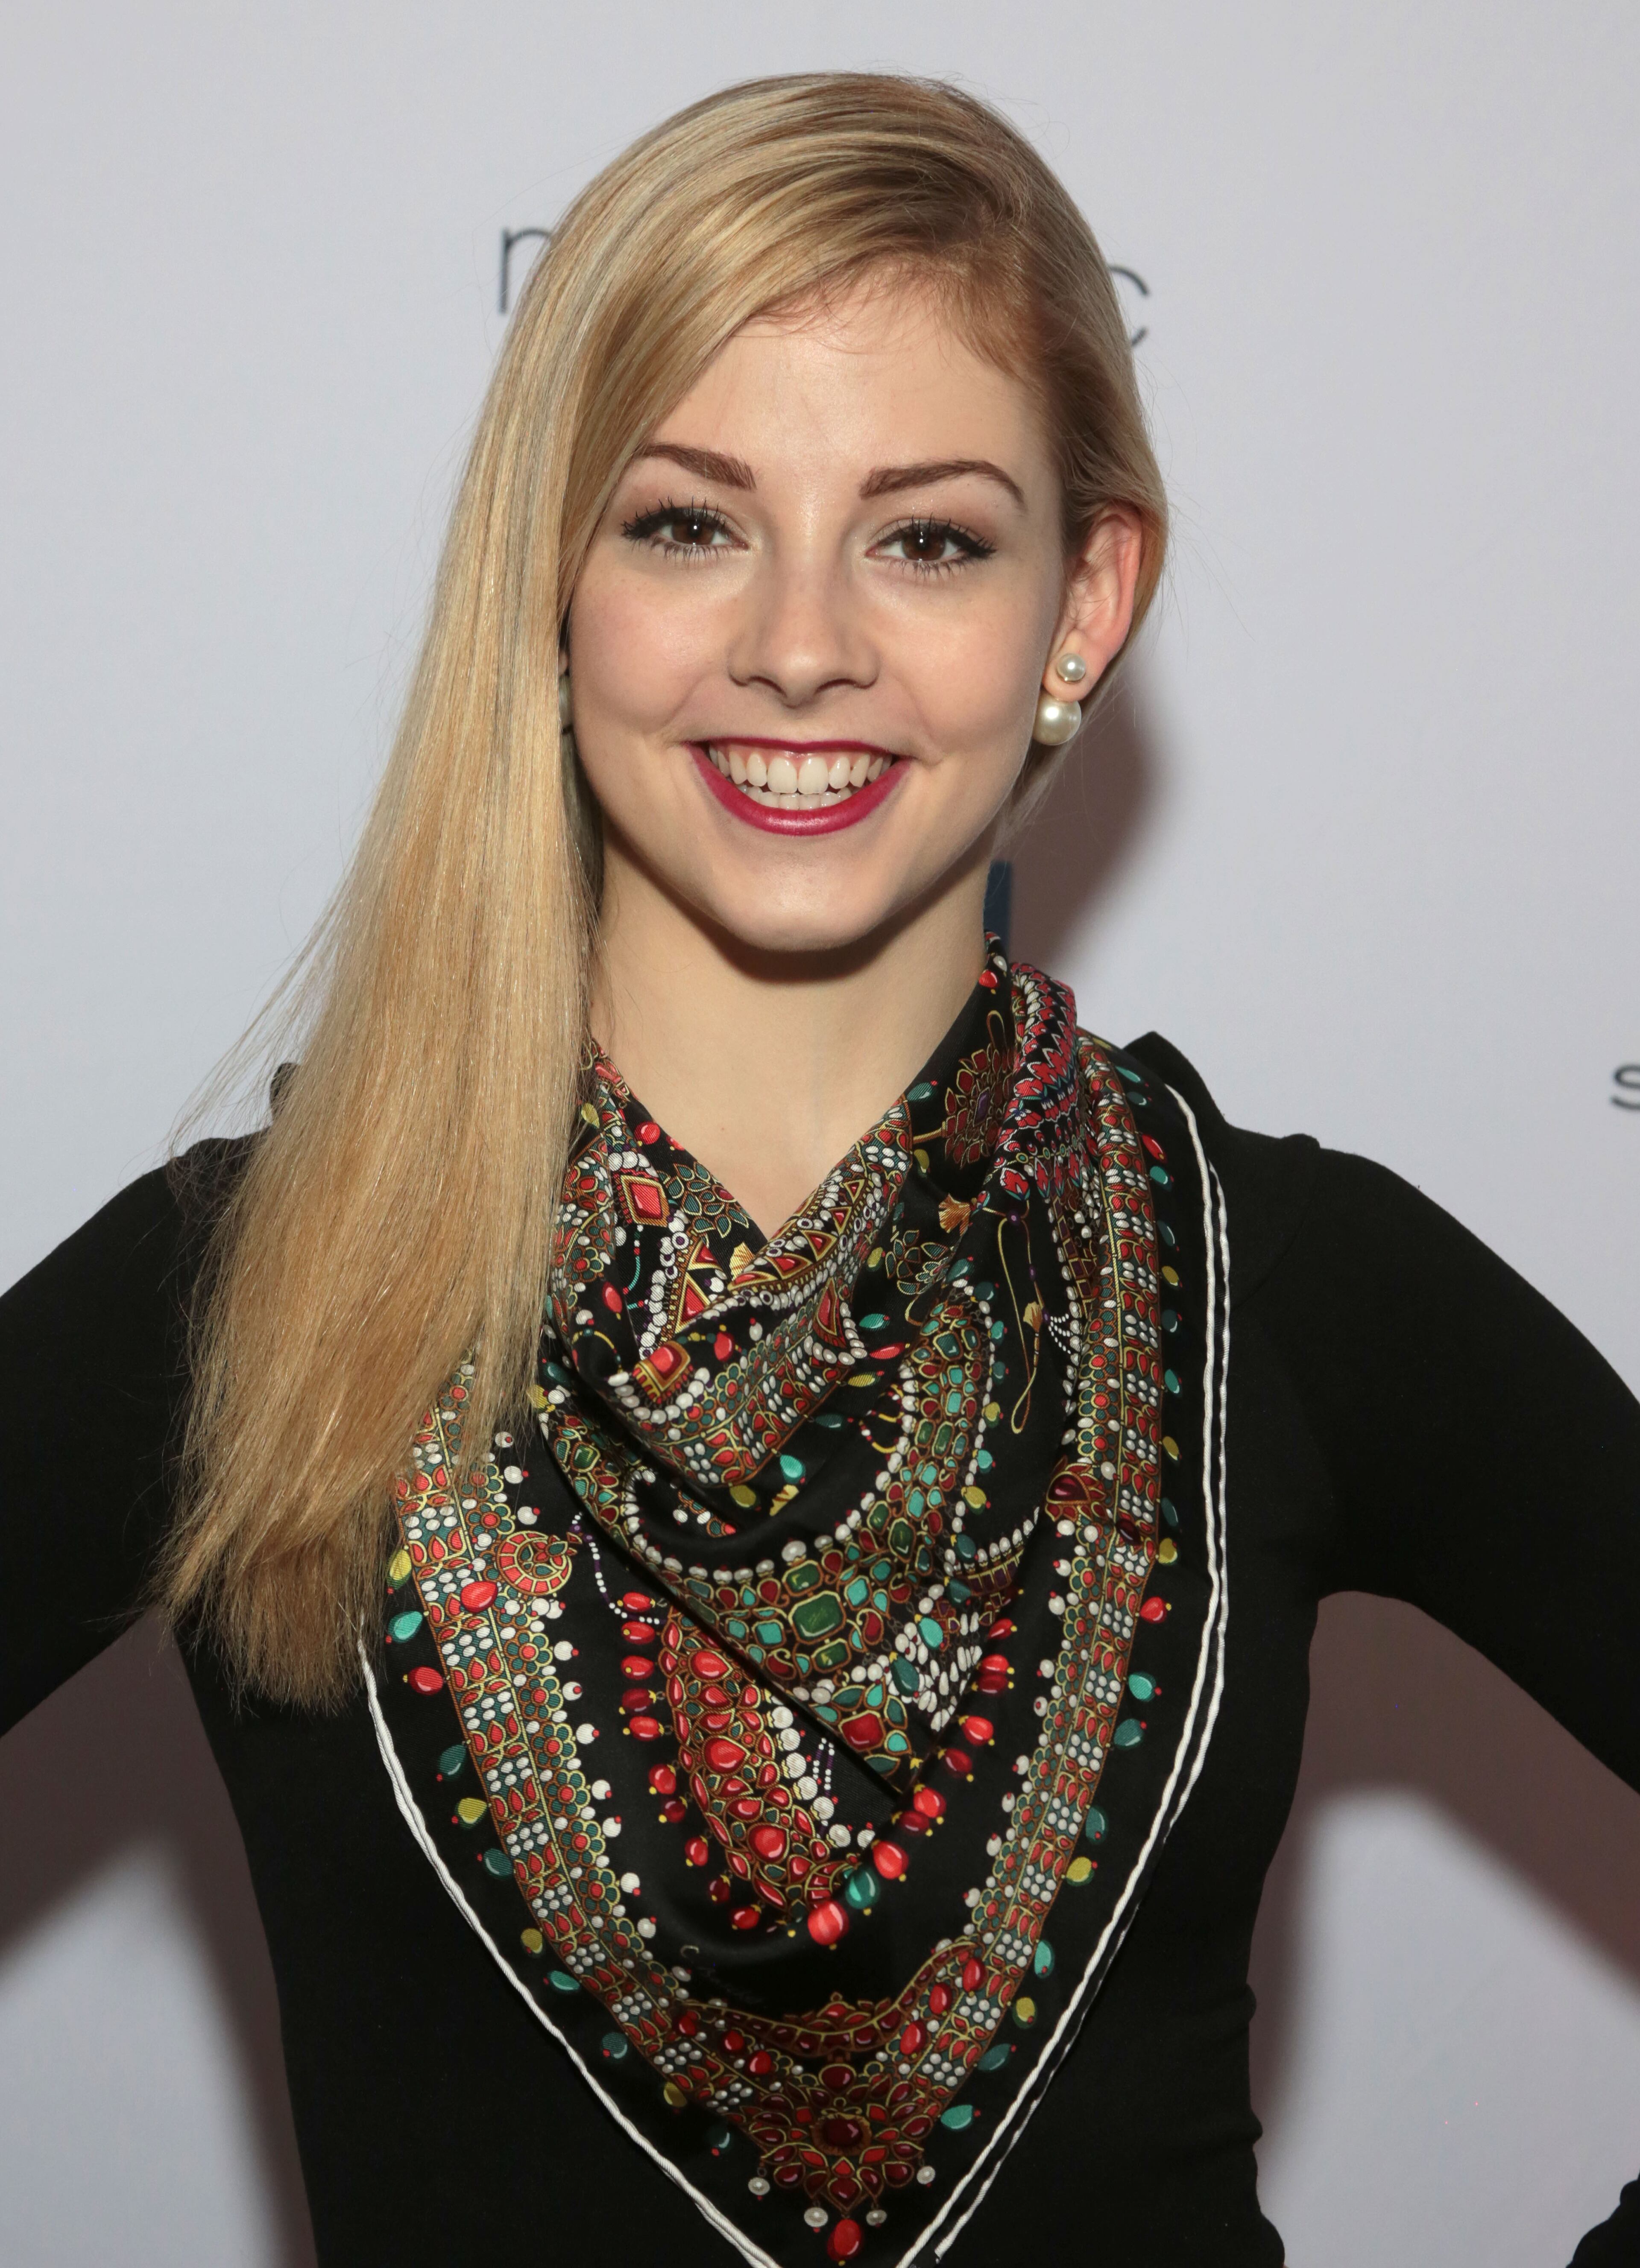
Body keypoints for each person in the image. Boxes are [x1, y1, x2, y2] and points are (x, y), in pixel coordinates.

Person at [1, 70, 1636, 2268]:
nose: (801, 642)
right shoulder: (252, 1284)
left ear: (1083, 602)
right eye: (688, 521)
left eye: (929, 535)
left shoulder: (1290, 1279)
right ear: (552, 578)